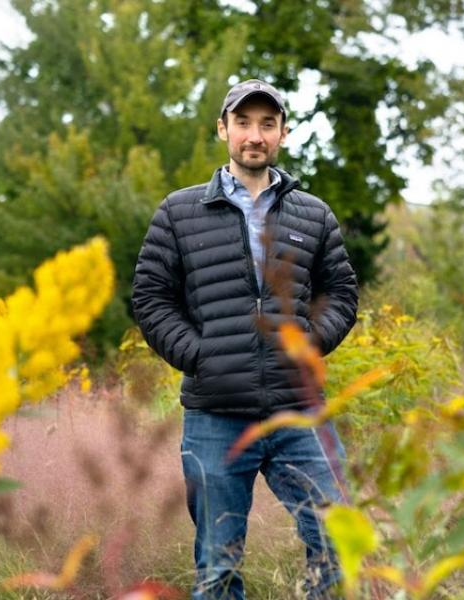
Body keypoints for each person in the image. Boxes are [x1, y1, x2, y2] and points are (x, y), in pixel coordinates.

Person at [131, 78, 359, 599]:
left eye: (267, 124)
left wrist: (308, 344)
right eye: (243, 123)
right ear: (223, 129)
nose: (254, 135)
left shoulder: (314, 214)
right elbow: (150, 298)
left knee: (339, 536)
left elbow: (341, 293)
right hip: (215, 413)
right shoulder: (178, 212)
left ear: (282, 133)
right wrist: (200, 356)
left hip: (297, 409)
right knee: (218, 563)